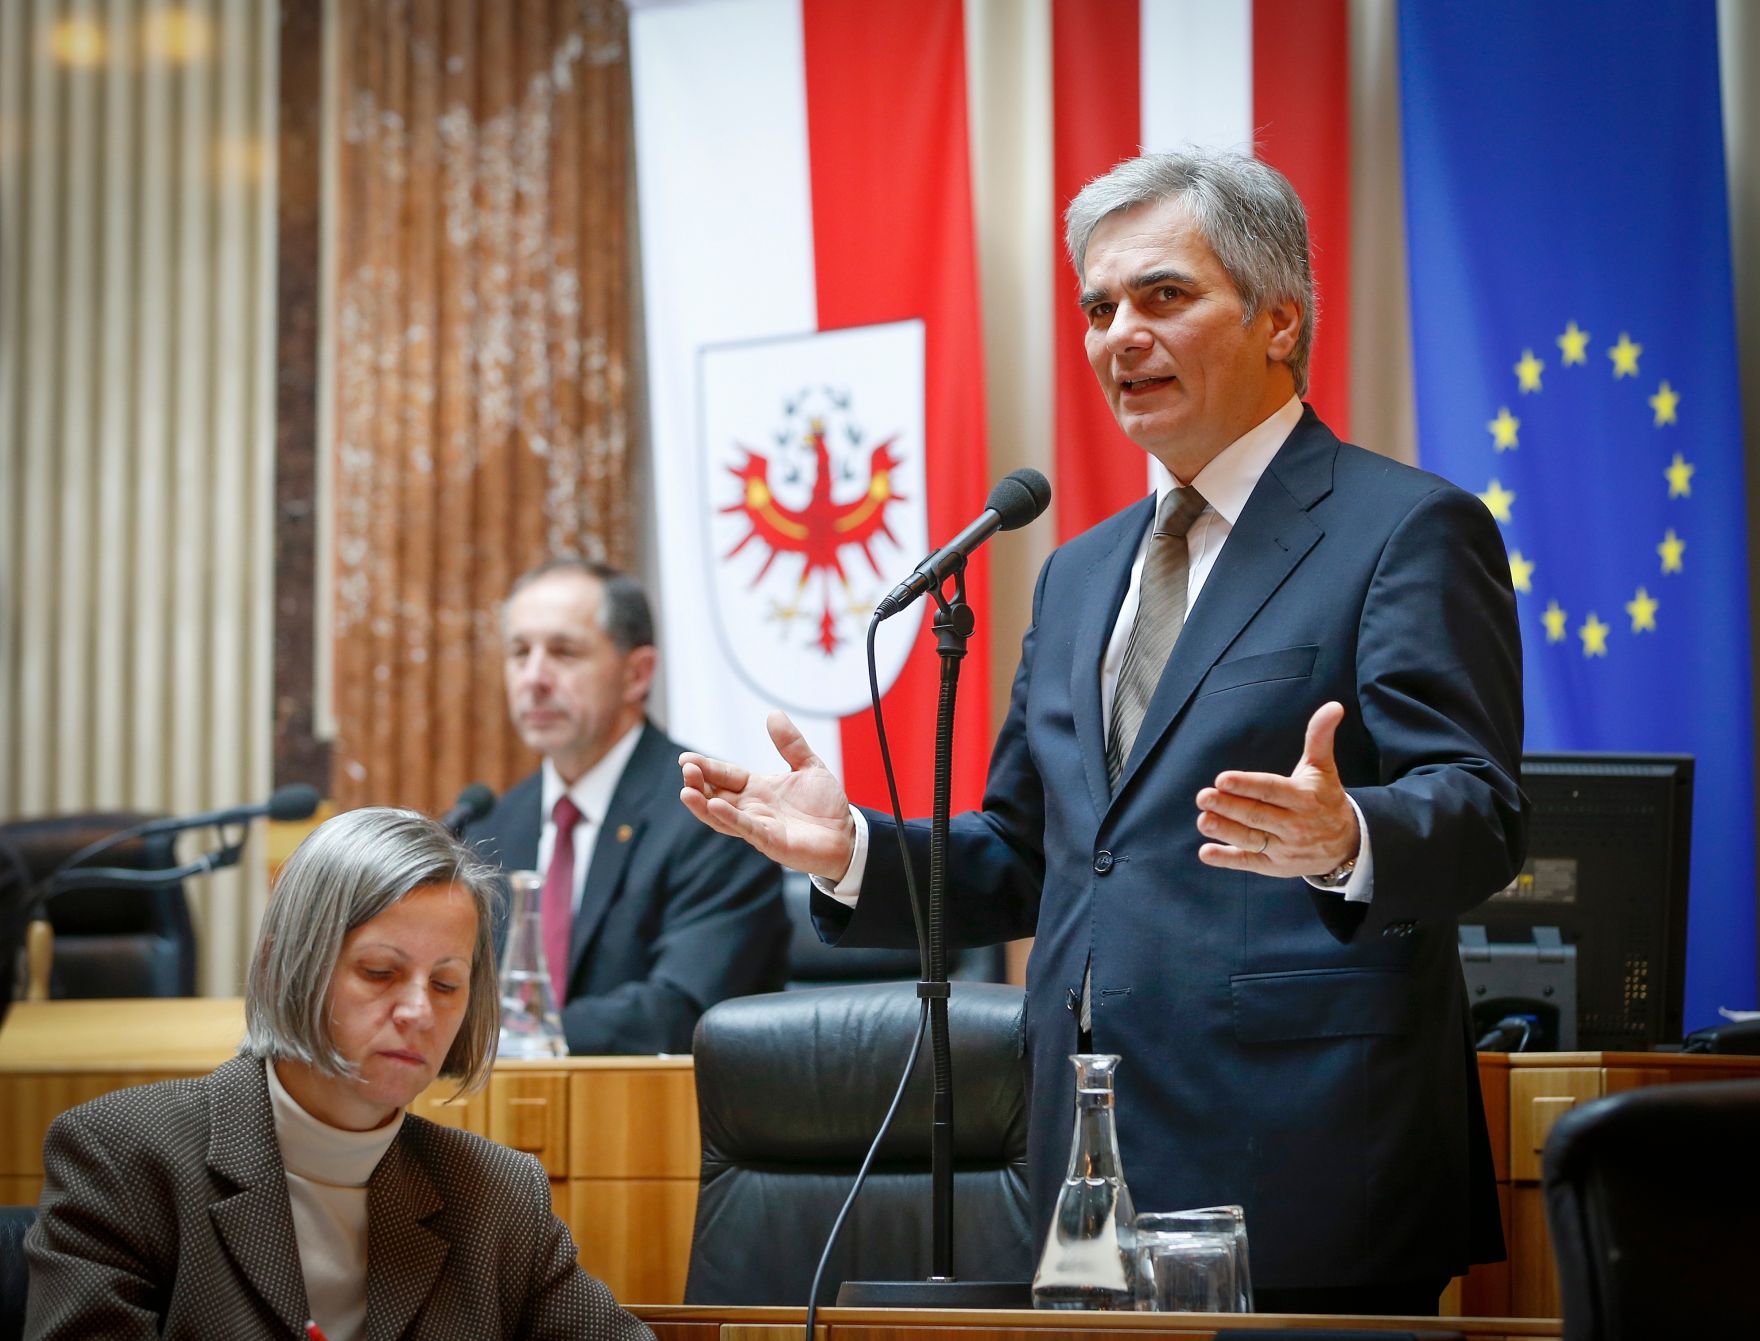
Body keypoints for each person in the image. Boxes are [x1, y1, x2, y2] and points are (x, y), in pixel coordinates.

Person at [679, 149, 1527, 1315]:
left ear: (1278, 320)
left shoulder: (1404, 529)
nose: (1120, 335)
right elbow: (1031, 857)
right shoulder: (1078, 575)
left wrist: (1347, 838)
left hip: (1309, 1153)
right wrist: (852, 853)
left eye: (1162, 296)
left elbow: (1479, 813)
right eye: (1097, 308)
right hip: (1084, 1169)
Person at [24, 807, 654, 1341]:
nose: (418, 1012)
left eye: (446, 984)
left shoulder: (497, 1196)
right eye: (379, 972)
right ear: (288, 966)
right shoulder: (123, 1157)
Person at [465, 558, 787, 1055]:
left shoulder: (712, 816)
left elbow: (680, 1012)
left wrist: (501, 1039)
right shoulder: (493, 824)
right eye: (520, 652)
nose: (533, 678)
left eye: (564, 652)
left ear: (637, 674)